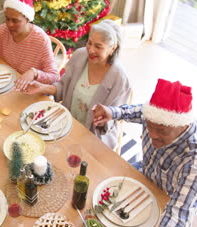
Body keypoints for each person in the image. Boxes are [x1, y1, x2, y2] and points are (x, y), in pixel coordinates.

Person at [92, 79, 197, 227]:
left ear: (182, 126)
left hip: (175, 201)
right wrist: (112, 112)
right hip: (147, 179)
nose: (152, 134)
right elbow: (138, 111)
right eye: (149, 126)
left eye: (161, 130)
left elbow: (177, 215)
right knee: (103, 213)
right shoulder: (155, 118)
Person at [16, 20, 131, 149]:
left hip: (94, 137)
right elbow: (63, 86)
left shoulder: (119, 79)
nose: (91, 50)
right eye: (89, 42)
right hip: (66, 123)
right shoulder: (80, 56)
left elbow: (114, 118)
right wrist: (42, 88)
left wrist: (103, 118)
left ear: (112, 48)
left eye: (98, 46)